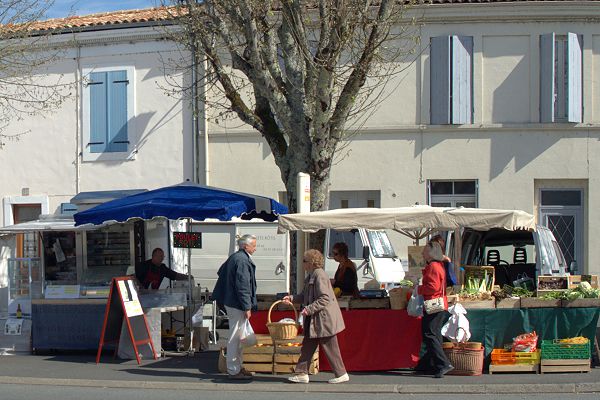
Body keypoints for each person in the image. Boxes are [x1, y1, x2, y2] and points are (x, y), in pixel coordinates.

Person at [284, 249, 349, 384]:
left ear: (312, 262)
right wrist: (291, 298)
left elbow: (325, 298)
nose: (303, 264)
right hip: (316, 320)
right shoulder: (312, 275)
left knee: (331, 348)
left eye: (304, 261)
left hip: (323, 319)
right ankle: (302, 373)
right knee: (307, 345)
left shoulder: (319, 275)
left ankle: (341, 374)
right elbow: (304, 296)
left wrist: (308, 309)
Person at [211, 234, 258, 380]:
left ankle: (237, 367)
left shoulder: (235, 257)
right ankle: (233, 369)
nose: (255, 248)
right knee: (235, 338)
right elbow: (242, 286)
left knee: (237, 337)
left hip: (231, 302)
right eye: (254, 246)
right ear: (246, 246)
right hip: (236, 303)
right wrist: (247, 306)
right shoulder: (242, 260)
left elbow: (221, 272)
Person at [413, 241, 453, 378]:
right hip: (438, 304)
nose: (422, 253)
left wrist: (418, 289)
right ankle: (429, 364)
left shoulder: (433, 266)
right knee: (433, 334)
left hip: (434, 304)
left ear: (431, 252)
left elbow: (433, 287)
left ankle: (443, 364)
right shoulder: (437, 265)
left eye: (425, 250)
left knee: (429, 333)